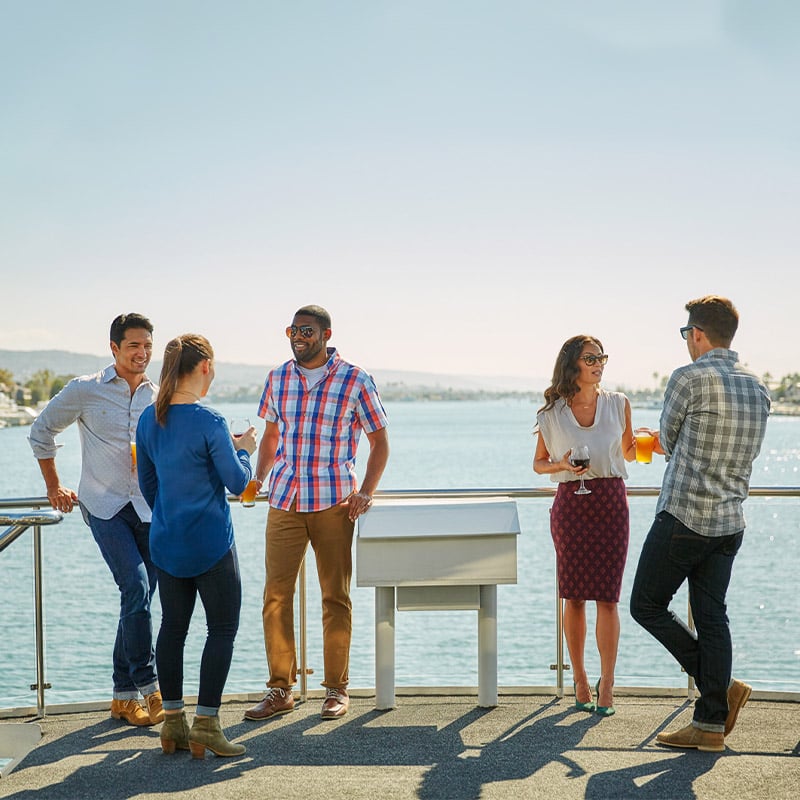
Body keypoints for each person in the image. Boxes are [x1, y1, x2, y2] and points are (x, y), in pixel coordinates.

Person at [630, 296, 770, 753]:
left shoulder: (688, 378)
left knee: (645, 605)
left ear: (698, 334)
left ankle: (720, 689)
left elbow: (667, 441)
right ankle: (710, 727)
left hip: (685, 516)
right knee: (713, 616)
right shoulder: (758, 387)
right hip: (730, 521)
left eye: (686, 333)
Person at [244, 304, 389, 722]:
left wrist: (366, 492)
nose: (297, 336)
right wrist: (258, 479)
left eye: (306, 330)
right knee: (275, 597)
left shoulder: (355, 379)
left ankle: (336, 690)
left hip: (334, 503)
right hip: (285, 500)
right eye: (292, 329)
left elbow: (379, 442)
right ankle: (280, 690)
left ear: (326, 334)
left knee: (335, 598)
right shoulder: (277, 378)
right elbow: (271, 436)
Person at [28, 313, 163, 726]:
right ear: (115, 348)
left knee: (137, 599)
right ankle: (150, 685)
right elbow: (41, 431)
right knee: (135, 586)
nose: (142, 353)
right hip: (103, 506)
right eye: (134, 345)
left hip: (149, 507)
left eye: (147, 345)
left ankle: (122, 698)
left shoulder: (159, 396)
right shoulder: (85, 390)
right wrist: (54, 487)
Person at [136, 333, 256, 758]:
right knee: (221, 629)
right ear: (204, 367)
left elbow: (148, 486)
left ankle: (172, 723)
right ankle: (205, 724)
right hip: (210, 546)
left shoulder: (149, 419)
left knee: (173, 628)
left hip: (167, 543)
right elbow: (239, 484)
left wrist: (172, 514)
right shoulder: (211, 422)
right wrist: (245, 451)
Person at [533, 335, 636, 717]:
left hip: (611, 503)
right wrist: (560, 464)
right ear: (572, 363)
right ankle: (579, 679)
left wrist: (652, 445)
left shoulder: (619, 404)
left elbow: (627, 451)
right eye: (591, 358)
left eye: (602, 357)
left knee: (608, 598)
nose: (599, 363)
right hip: (570, 508)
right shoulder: (552, 413)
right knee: (573, 596)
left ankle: (607, 683)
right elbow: (539, 463)